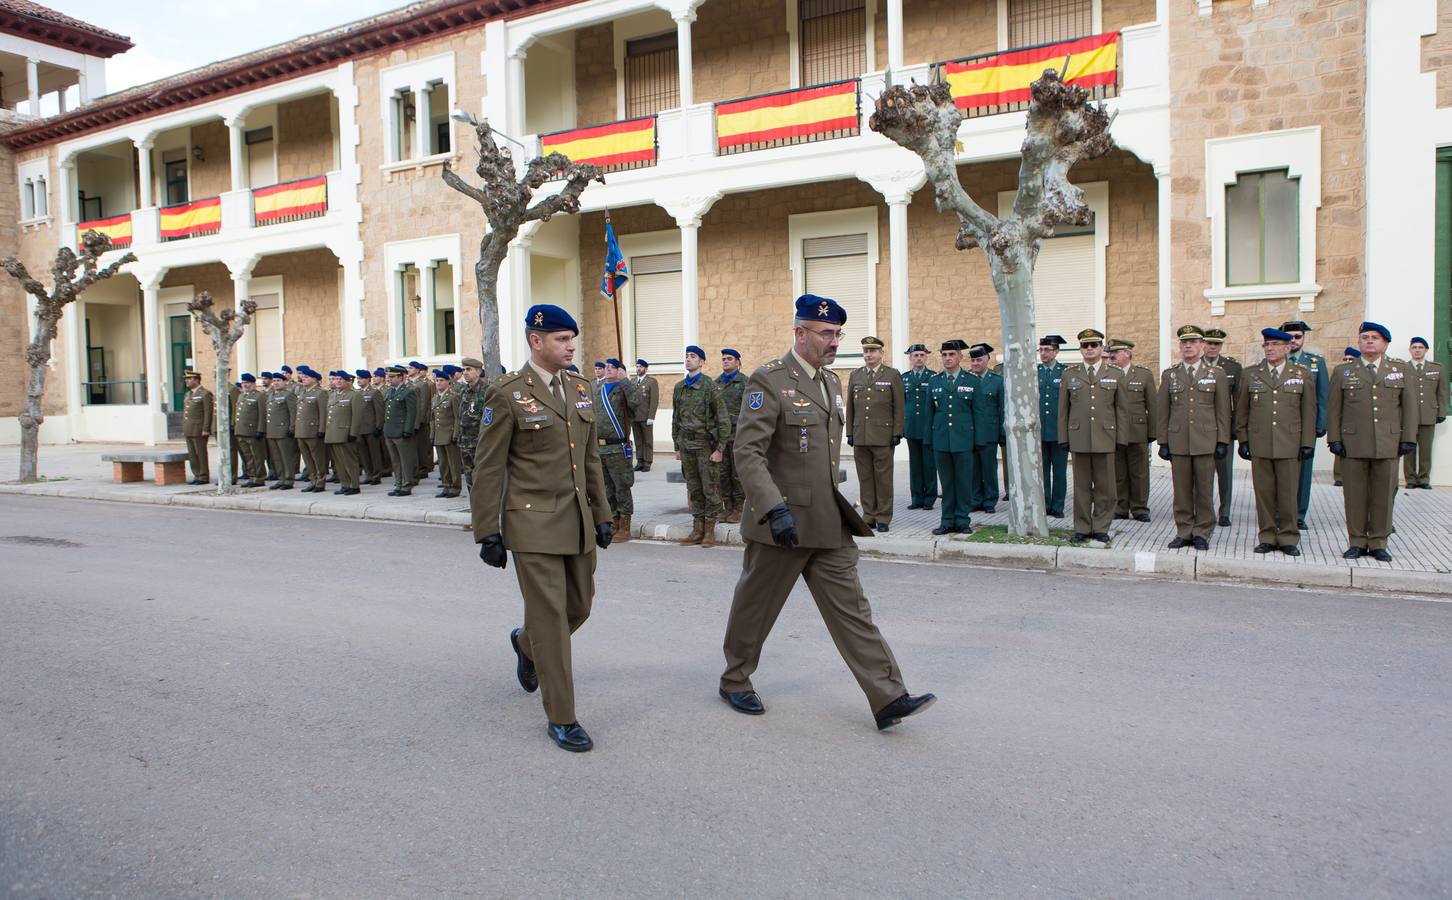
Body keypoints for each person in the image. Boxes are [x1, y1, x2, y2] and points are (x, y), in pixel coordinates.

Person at [718, 293, 936, 731]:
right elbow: (748, 452)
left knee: (853, 610)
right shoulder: (768, 381)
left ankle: (888, 696)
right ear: (800, 333)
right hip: (782, 523)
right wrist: (772, 508)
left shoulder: (832, 382)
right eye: (825, 333)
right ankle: (735, 680)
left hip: (828, 519)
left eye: (838, 333)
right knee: (756, 606)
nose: (834, 341)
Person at [471, 304, 613, 753]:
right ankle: (562, 717)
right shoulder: (508, 393)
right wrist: (486, 530)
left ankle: (525, 644)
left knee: (580, 607)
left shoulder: (581, 388)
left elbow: (590, 459)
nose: (570, 346)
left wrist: (603, 513)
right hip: (531, 522)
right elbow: (488, 467)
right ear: (536, 341)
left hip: (576, 521)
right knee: (551, 619)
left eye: (572, 339)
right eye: (561, 339)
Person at [1327, 322, 1419, 562]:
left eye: (1375, 338)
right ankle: (1357, 541)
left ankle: (1378, 542)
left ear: (1385, 344)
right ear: (1359, 342)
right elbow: (1334, 409)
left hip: (1387, 443)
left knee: (1383, 495)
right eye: (1365, 337)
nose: (1369, 341)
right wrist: (1334, 438)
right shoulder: (1343, 372)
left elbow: (1409, 408)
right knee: (1355, 495)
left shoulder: (1400, 370)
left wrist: (1408, 438)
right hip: (1353, 443)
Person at [1236, 328, 1316, 555]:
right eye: (1266, 345)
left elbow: (1308, 412)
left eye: (1275, 345)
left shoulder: (1302, 374)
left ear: (1287, 347)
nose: (1270, 349)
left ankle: (1289, 536)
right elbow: (1243, 410)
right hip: (1260, 442)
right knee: (1264, 493)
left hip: (1289, 443)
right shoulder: (1251, 374)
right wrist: (1243, 438)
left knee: (1289, 493)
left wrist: (1307, 443)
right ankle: (1268, 535)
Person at [1156, 325, 1230, 550]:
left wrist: (1222, 440)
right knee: (1181, 491)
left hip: (1205, 440)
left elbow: (1223, 410)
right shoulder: (1170, 374)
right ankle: (1184, 530)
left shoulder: (1216, 374)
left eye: (1193, 342)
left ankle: (1202, 531)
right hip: (1179, 441)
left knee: (1205, 490)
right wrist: (1163, 441)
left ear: (1202, 345)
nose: (1188, 346)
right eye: (1184, 342)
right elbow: (1163, 411)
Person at [1059, 329, 1124, 543]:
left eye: (1093, 345)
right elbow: (1063, 411)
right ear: (1080, 349)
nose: (1089, 349)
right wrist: (1063, 438)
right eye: (1085, 346)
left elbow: (1121, 410)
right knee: (1081, 487)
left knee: (1106, 488)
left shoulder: (1115, 373)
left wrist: (1121, 438)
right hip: (1079, 437)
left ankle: (1101, 527)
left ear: (1101, 348)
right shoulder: (1070, 374)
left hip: (1106, 437)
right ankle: (1082, 527)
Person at [672, 345, 730, 547]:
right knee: (693, 488)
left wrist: (720, 449)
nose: (688, 359)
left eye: (693, 356)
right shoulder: (679, 387)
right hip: (686, 444)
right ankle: (697, 529)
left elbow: (723, 419)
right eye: (687, 356)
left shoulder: (710, 387)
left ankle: (709, 530)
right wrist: (676, 445)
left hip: (705, 445)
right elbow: (675, 417)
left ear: (702, 362)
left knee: (709, 488)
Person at [846, 336, 905, 532]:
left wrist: (897, 432)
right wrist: (850, 432)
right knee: (865, 478)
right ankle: (869, 514)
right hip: (861, 434)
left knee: (883, 479)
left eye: (872, 351)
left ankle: (883, 517)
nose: (868, 355)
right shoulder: (856, 375)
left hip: (883, 435)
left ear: (881, 353)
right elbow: (851, 407)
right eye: (865, 351)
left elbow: (899, 407)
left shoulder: (892, 375)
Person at [1283, 320, 1329, 529]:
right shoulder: (1276, 360)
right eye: (1289, 336)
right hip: (1281, 427)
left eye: (1298, 336)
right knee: (1280, 472)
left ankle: (1299, 514)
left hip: (1305, 427)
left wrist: (1320, 424)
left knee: (1303, 473)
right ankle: (1279, 512)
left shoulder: (1315, 363)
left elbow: (1322, 396)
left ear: (1304, 338)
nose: (1293, 340)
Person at [593, 357, 644, 541]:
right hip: (600, 447)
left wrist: (625, 381)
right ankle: (613, 521)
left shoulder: (623, 389)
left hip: (617, 447)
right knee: (607, 488)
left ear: (620, 371)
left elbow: (637, 402)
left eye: (612, 367)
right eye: (606, 366)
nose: (608, 369)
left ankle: (625, 525)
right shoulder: (596, 389)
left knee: (621, 487)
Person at [929, 339, 975, 535]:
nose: (947, 358)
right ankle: (947, 520)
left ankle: (963, 520)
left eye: (952, 355)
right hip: (941, 440)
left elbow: (978, 413)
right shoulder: (935, 381)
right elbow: (928, 413)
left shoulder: (972, 381)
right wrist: (928, 439)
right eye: (944, 355)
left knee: (963, 482)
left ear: (960, 357)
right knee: (946, 484)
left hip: (964, 440)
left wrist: (979, 441)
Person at [1107, 339, 1156, 522]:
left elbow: (1153, 405)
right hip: (1115, 432)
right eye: (1111, 353)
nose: (1112, 356)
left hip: (1137, 431)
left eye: (1117, 352)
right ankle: (1121, 507)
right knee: (1118, 471)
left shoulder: (1143, 375)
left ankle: (1140, 508)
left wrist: (1153, 432)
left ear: (1127, 353)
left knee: (1139, 473)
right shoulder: (1108, 374)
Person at [1203, 328, 1242, 527]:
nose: (1212, 347)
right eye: (1209, 343)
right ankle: (1204, 509)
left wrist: (1235, 430)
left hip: (1224, 429)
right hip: (1201, 430)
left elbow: (1239, 402)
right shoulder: (1195, 365)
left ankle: (1225, 511)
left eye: (1216, 344)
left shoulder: (1232, 368)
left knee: (1225, 473)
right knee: (1203, 475)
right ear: (1203, 344)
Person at [965, 343, 1003, 514]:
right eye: (973, 360)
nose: (975, 364)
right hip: (970, 432)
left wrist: (1002, 433)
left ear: (987, 360)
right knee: (972, 469)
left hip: (989, 432)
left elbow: (1002, 408)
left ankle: (989, 500)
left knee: (988, 468)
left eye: (979, 360)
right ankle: (975, 499)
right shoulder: (967, 380)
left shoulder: (997, 381)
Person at [1405, 336, 1447, 489]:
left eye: (1420, 347)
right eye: (1414, 347)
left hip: (1429, 415)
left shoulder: (1437, 368)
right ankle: (1410, 479)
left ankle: (1423, 479)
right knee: (1409, 449)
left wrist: (1441, 411)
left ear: (1426, 350)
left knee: (1426, 449)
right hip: (1408, 417)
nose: (1417, 350)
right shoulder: (1403, 368)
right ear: (1410, 350)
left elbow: (1442, 392)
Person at [902, 343, 937, 511]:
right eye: (915, 356)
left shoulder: (933, 377)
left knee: (929, 464)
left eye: (922, 355)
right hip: (911, 427)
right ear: (910, 359)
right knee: (915, 465)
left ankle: (929, 499)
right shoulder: (904, 378)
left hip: (928, 428)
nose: (919, 358)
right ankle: (916, 497)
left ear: (926, 357)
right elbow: (901, 404)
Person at [1037, 335, 1068, 517]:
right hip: (1040, 430)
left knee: (1059, 471)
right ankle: (1044, 504)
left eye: (1047, 350)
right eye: (1041, 350)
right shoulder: (1035, 371)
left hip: (1058, 431)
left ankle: (1057, 506)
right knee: (1042, 471)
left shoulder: (1065, 372)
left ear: (1056, 351)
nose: (1043, 353)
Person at [717, 348, 749, 524]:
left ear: (738, 362)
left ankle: (739, 507)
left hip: (738, 435)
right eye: (723, 359)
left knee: (737, 472)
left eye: (729, 359)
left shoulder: (746, 383)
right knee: (723, 472)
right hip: (721, 437)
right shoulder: (716, 384)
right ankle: (727, 506)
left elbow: (751, 411)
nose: (726, 361)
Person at [325, 370, 366, 495]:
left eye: (341, 379)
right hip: (333, 433)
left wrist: (353, 433)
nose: (337, 381)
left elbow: (357, 416)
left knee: (350, 461)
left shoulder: (354, 395)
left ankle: (354, 485)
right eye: (336, 379)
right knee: (339, 462)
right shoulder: (333, 395)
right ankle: (345, 484)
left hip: (346, 433)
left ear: (349, 382)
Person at [383, 366, 419, 497]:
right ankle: (398, 484)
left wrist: (408, 430)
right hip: (390, 431)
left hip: (401, 431)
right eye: (388, 377)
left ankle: (407, 485)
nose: (389, 379)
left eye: (392, 377)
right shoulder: (390, 391)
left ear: (401, 377)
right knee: (395, 461)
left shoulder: (408, 392)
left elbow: (411, 413)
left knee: (405, 460)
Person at [456, 357, 491, 492]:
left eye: (468, 369)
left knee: (483, 477)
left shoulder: (487, 391)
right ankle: (474, 506)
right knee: (469, 477)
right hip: (465, 442)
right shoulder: (463, 391)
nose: (465, 372)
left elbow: (488, 420)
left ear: (478, 371)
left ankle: (485, 507)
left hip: (480, 443)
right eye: (463, 369)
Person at [294, 367, 329, 493]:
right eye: (302, 377)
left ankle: (320, 481)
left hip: (313, 431)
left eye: (306, 377)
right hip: (301, 431)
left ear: (314, 379)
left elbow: (323, 413)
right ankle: (312, 480)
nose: (303, 379)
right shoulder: (303, 392)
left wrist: (322, 429)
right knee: (307, 458)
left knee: (318, 458)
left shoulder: (320, 393)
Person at [430, 369, 463, 498]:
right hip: (439, 435)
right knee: (443, 464)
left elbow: (457, 417)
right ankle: (446, 485)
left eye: (441, 381)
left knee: (453, 463)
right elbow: (432, 418)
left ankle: (455, 487)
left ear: (448, 383)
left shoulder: (453, 396)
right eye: (437, 381)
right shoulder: (435, 398)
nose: (438, 383)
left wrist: (455, 434)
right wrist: (432, 434)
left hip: (449, 435)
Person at [264, 372, 298, 490]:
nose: (276, 383)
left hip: (283, 431)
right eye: (274, 381)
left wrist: (292, 428)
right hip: (272, 430)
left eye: (278, 381)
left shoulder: (288, 395)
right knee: (276, 457)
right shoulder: (271, 395)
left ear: (284, 382)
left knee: (286, 456)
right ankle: (281, 478)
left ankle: (288, 480)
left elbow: (293, 413)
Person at [1333, 347, 1361, 485]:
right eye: (1346, 359)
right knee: (1340, 448)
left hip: (1356, 419)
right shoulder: (1339, 373)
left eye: (1351, 359)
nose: (1347, 361)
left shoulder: (1360, 373)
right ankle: (1339, 476)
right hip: (1342, 417)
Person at [233, 373, 267, 488]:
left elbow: (262, 414)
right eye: (243, 383)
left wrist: (260, 430)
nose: (245, 385)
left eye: (247, 382)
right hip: (241, 431)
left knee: (257, 456)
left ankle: (259, 477)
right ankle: (252, 476)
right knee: (247, 456)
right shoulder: (241, 396)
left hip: (253, 431)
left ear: (253, 384)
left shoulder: (259, 396)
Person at [181, 370, 214, 485]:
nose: (187, 381)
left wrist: (206, 429)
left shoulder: (205, 394)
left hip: (199, 429)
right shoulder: (188, 394)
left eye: (189, 379)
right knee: (192, 454)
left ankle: (204, 476)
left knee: (200, 453)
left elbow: (208, 413)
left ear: (196, 380)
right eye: (186, 379)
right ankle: (197, 475)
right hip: (189, 428)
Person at [630, 359, 660, 472]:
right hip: (635, 416)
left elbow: (654, 400)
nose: (638, 369)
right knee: (638, 440)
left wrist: (651, 416)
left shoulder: (651, 382)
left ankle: (647, 462)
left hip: (646, 416)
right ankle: (640, 461)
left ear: (646, 369)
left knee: (647, 440)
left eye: (641, 367)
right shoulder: (632, 381)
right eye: (637, 366)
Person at [408, 360, 433, 483]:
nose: (409, 370)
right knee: (413, 446)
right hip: (410, 419)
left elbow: (423, 403)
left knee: (421, 446)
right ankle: (416, 468)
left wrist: (421, 420)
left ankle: (423, 468)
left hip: (419, 420)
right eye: (408, 368)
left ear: (418, 370)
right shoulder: (408, 383)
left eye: (411, 368)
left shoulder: (422, 384)